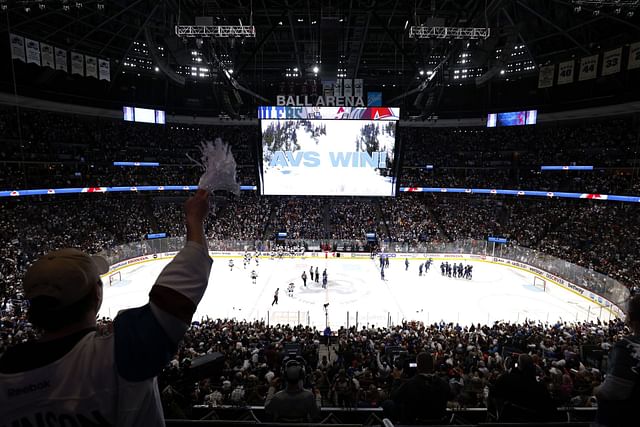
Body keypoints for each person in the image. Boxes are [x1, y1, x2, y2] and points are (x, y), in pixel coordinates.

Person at [0, 189, 213, 426]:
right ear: (96, 295)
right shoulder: (120, 352)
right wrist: (194, 220)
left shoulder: (7, 370)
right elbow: (183, 287)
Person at [594, 294, 640, 427]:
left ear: (630, 318)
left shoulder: (628, 346)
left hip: (622, 418)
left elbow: (613, 392)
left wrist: (596, 390)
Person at [489, 353, 557, 422]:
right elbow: (550, 411)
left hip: (508, 422)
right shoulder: (540, 387)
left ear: (518, 365)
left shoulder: (505, 379)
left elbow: (494, 397)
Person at [387, 352, 451, 424]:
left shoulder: (409, 384)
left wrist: (397, 379)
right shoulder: (443, 383)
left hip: (414, 423)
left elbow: (395, 398)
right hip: (439, 423)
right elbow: (451, 396)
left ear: (418, 366)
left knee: (388, 404)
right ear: (433, 366)